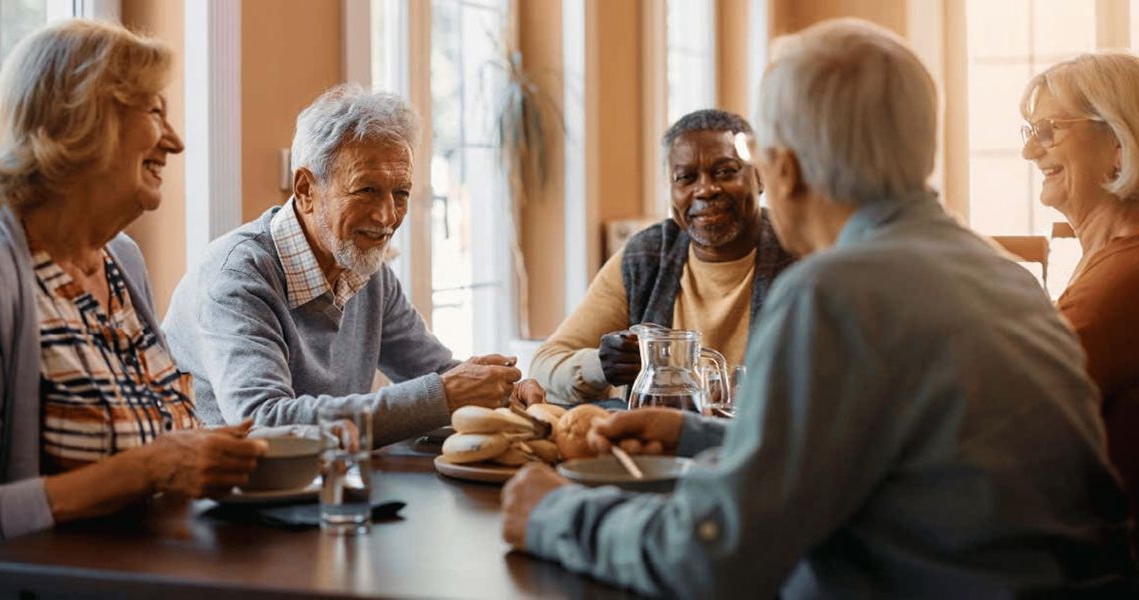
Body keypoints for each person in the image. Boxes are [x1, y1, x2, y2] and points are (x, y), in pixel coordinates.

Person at [501, 19, 1136, 597]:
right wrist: (694, 432)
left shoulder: (835, 296)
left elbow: (715, 555)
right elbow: (900, 458)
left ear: (784, 170)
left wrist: (555, 513)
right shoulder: (1005, 277)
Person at [0, 20, 266, 555]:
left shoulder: (123, 261)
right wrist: (150, 468)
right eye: (155, 112)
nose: (176, 141)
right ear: (82, 119)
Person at [163, 84, 544, 446]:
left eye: (401, 193)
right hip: (217, 501)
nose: (386, 216)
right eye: (367, 190)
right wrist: (443, 394)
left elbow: (435, 372)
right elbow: (264, 423)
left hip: (323, 485)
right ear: (306, 190)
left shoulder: (365, 268)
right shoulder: (237, 277)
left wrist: (502, 390)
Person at [530, 109, 794, 405]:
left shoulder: (801, 251)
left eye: (725, 171)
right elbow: (543, 368)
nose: (705, 189)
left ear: (759, 177)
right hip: (656, 445)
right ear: (671, 191)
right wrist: (600, 367)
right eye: (686, 177)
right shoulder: (646, 257)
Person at [1020, 52, 1139, 527]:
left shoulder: (1125, 273)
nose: (1031, 152)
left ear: (1118, 144)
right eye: (1031, 133)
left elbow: (1016, 403)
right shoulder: (1109, 259)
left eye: (1049, 130)